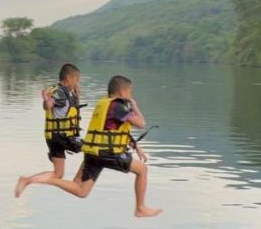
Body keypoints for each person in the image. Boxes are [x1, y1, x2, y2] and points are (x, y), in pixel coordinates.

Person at [30, 75, 162, 218]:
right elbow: (141, 124)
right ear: (123, 92)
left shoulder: (104, 103)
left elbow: (111, 131)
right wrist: (135, 106)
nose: (131, 95)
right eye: (130, 92)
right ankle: (140, 208)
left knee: (81, 191)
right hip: (107, 154)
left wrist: (135, 146)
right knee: (142, 170)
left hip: (92, 153)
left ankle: (52, 180)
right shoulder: (118, 107)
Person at [15, 64, 83, 198]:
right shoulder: (59, 92)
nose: (77, 83)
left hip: (54, 136)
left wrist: (77, 95)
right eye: (76, 79)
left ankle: (26, 180)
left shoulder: (65, 92)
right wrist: (46, 100)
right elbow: (48, 106)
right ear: (69, 78)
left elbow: (70, 108)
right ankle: (79, 182)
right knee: (94, 149)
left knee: (58, 174)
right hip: (62, 136)